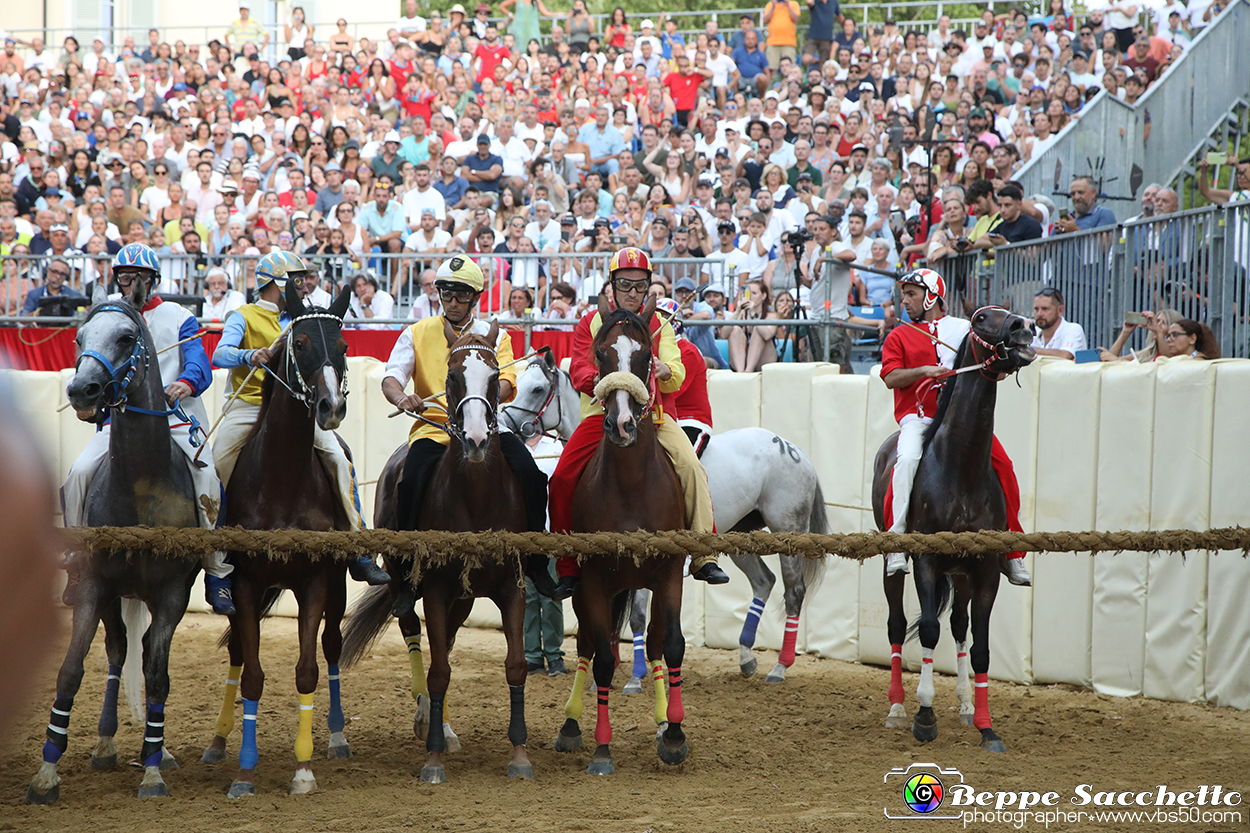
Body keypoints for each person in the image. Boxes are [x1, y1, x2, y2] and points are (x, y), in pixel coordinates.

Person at [60, 243, 236, 615]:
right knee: (78, 473)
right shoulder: (106, 314)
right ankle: (77, 557)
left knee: (209, 480)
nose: (133, 282)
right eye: (126, 275)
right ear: (117, 279)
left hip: (176, 419)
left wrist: (185, 383)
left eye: (141, 276)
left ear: (153, 280)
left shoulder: (178, 316)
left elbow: (200, 365)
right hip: (120, 422)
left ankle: (217, 571)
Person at [547, 248, 729, 598]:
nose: (632, 292)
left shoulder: (660, 324)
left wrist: (664, 371)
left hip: (655, 417)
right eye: (625, 285)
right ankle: (568, 565)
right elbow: (581, 369)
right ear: (612, 286)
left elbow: (676, 372)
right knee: (562, 478)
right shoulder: (590, 323)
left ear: (648, 289)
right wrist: (608, 383)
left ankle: (704, 553)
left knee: (691, 467)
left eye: (640, 286)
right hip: (599, 415)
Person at [381, 256, 556, 616]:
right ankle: (408, 574)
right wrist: (402, 397)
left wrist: (490, 391)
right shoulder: (415, 332)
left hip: (489, 428)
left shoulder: (499, 335)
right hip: (434, 428)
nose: (453, 301)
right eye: (446, 293)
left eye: (461, 295)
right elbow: (391, 377)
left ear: (475, 297)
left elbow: (509, 382)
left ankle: (536, 561)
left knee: (531, 475)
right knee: (409, 482)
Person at [211, 251, 389, 587]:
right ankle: (215, 559)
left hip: (296, 412)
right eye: (296, 281)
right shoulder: (242, 315)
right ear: (279, 283)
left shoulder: (299, 320)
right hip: (247, 407)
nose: (303, 287)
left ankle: (360, 550)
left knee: (339, 458)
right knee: (215, 465)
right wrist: (249, 355)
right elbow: (220, 353)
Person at [878, 268, 1031, 586]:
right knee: (904, 461)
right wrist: (923, 371)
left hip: (960, 424)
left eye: (911, 294)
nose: (905, 301)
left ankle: (1012, 551)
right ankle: (895, 544)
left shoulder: (964, 329)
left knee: (1004, 466)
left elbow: (993, 367)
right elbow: (891, 377)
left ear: (931, 296)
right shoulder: (898, 335)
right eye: (904, 294)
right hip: (918, 420)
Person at [657, 299, 714, 458]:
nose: (659, 322)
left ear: (676, 322)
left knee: (683, 464)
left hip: (689, 421)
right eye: (655, 317)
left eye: (665, 317)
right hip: (661, 420)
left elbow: (673, 391)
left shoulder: (688, 350)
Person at [1031, 287, 1088, 360]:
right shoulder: (1032, 332)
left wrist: (1029, 350)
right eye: (1036, 309)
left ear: (1060, 310)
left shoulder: (1073, 329)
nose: (1039, 314)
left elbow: (1065, 355)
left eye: (1045, 309)